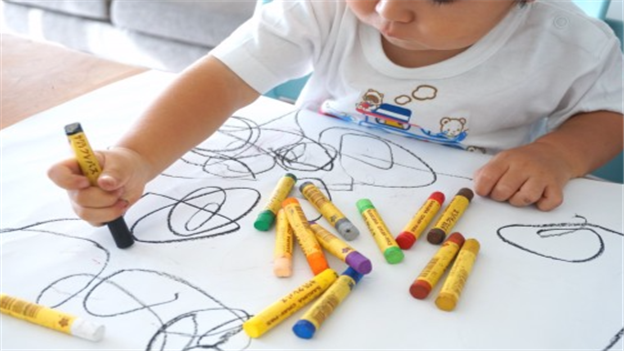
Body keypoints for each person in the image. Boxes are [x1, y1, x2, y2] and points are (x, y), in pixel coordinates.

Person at [48, 0, 624, 226]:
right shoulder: (320, 8)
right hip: (313, 196)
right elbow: (222, 81)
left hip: (470, 215)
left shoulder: (571, 44)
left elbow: (611, 112)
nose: (389, 9)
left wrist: (558, 153)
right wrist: (137, 156)